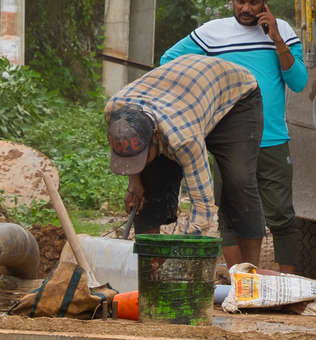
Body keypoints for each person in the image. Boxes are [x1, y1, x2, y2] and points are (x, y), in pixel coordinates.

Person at [158, 0, 307, 273]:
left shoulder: (284, 32)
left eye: (254, 3)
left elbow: (300, 82)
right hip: (229, 141)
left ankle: (289, 281)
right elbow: (168, 61)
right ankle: (238, 278)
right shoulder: (212, 33)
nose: (246, 9)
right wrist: (206, 88)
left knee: (281, 213)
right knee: (229, 210)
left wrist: (277, 38)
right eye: (241, 1)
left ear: (265, 2)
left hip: (273, 138)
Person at [105, 55, 265, 261]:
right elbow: (129, 151)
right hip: (182, 95)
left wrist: (180, 259)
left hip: (234, 96)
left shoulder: (183, 138)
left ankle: (250, 274)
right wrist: (134, 182)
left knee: (239, 180)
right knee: (149, 183)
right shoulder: (114, 111)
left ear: (155, 135)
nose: (139, 162)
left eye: (142, 156)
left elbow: (203, 208)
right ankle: (148, 269)